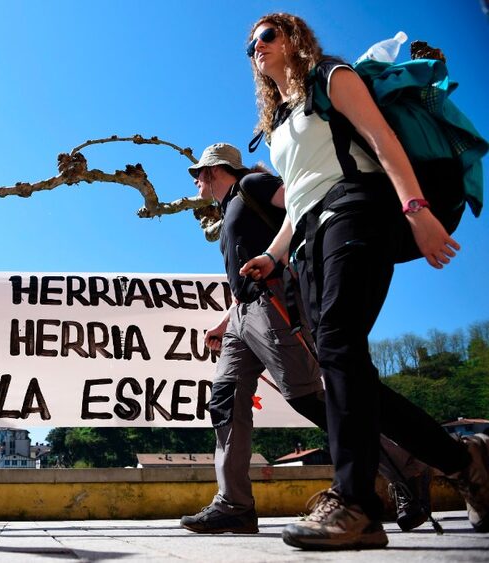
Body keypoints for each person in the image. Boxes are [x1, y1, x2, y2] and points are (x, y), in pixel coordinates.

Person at [239, 13, 489, 550]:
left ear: (292, 37)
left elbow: (378, 139)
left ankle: (355, 503)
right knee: (341, 365)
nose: (255, 49)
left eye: (265, 35)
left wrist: (416, 210)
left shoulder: (330, 76)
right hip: (309, 236)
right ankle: (463, 461)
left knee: (338, 348)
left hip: (359, 210)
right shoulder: (278, 121)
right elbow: (302, 191)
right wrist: (273, 254)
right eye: (249, 46)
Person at [179, 143, 433, 535]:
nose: (196, 180)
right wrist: (224, 321)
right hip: (243, 315)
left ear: (215, 170)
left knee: (308, 399)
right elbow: (245, 278)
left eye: (199, 173)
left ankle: (406, 468)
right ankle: (234, 505)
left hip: (276, 305)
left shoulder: (255, 184)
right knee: (224, 401)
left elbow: (302, 206)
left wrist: (279, 259)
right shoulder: (230, 206)